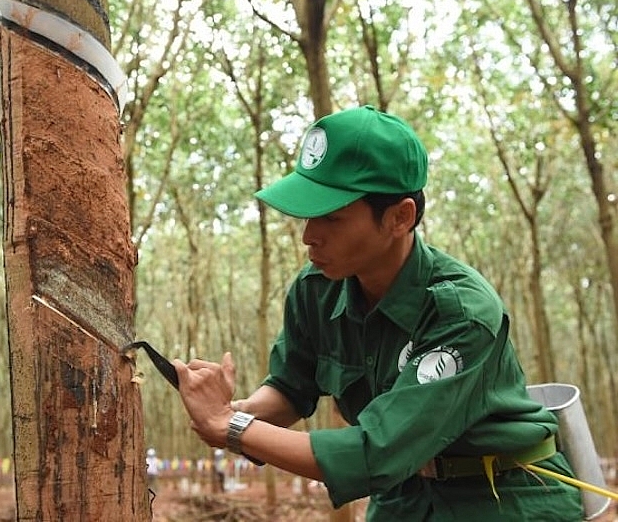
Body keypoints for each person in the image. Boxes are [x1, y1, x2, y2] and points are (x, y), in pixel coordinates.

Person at [172, 106, 585, 521]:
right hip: (401, 499)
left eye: (331, 217)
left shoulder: (460, 311)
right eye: (307, 215)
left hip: (502, 497)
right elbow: (292, 386)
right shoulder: (315, 290)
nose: (308, 236)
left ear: (399, 217)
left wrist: (231, 428)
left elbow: (376, 451)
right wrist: (237, 409)